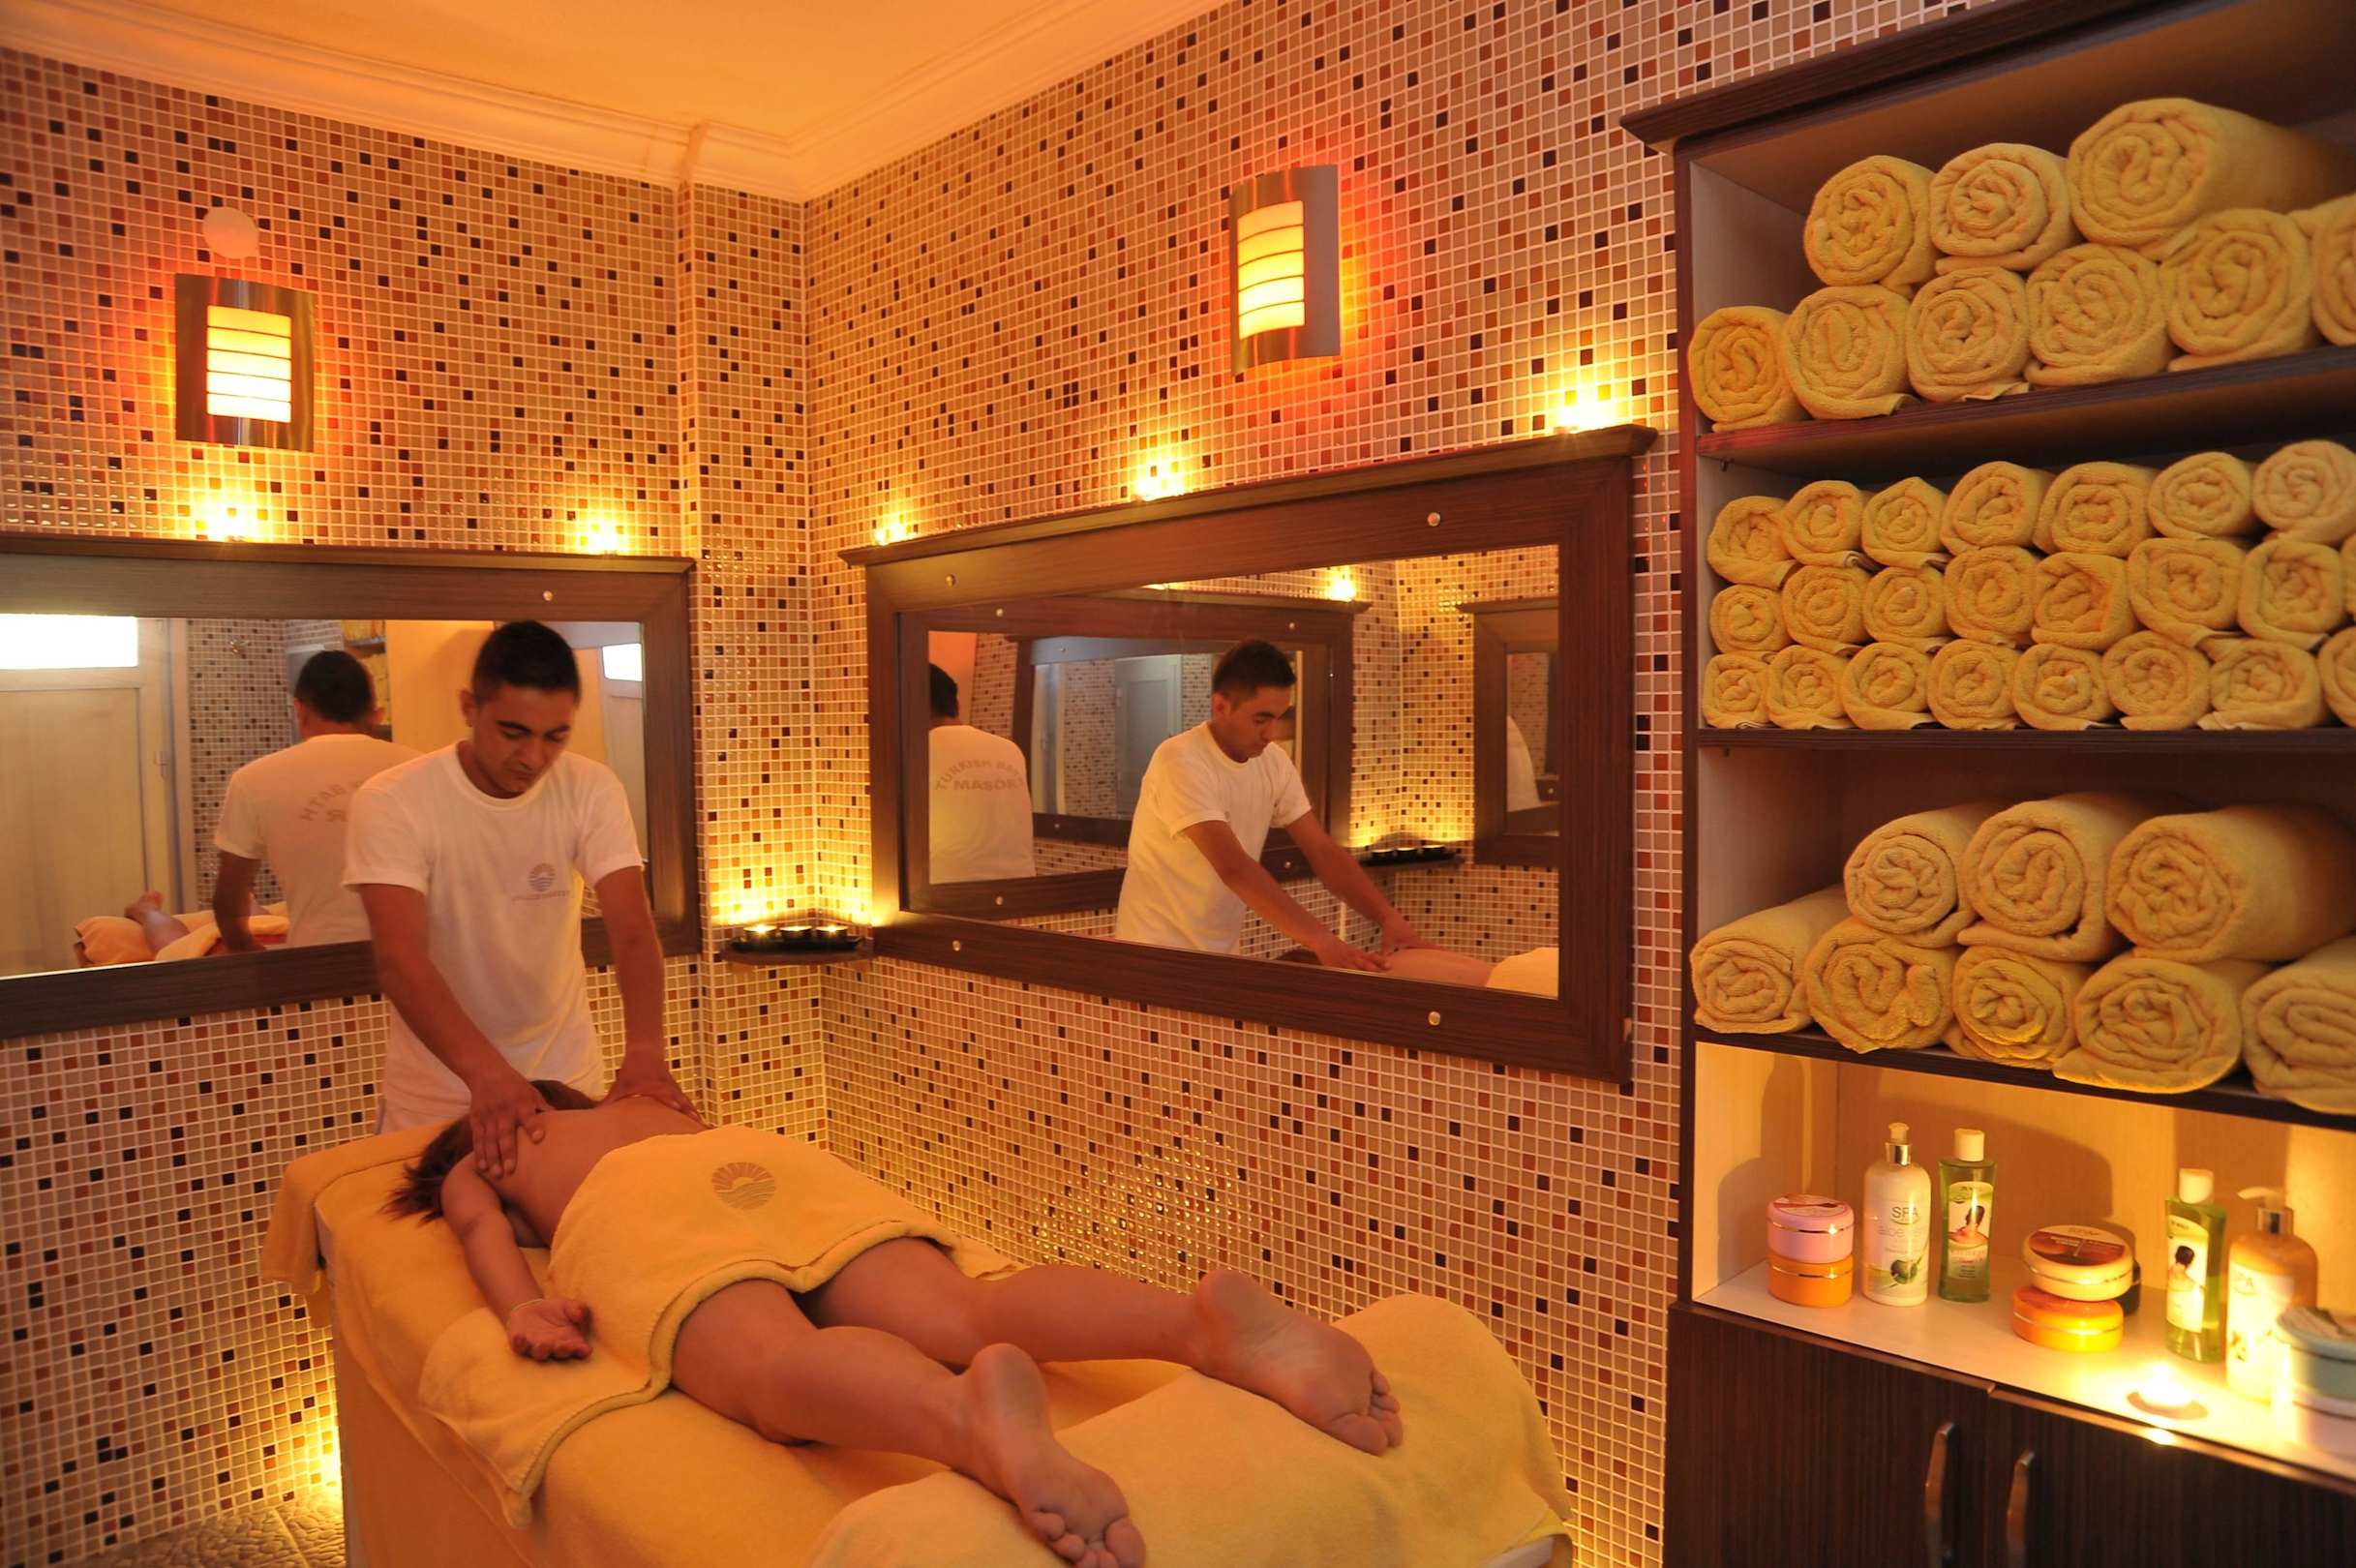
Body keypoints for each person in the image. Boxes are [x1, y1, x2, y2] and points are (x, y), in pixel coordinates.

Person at [384, 1087, 1403, 1568]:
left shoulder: (487, 1154)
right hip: (768, 1161)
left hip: (641, 1208)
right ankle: (1198, 1328)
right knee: (968, 1308)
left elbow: (476, 1230)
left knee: (774, 1365)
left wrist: (520, 1303)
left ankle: (959, 1418)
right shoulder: (643, 1104)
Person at [344, 620, 691, 1155]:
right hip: (437, 1094)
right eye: (513, 732)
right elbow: (401, 962)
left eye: (555, 737)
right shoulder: (393, 801)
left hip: (565, 1077)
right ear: (469, 708)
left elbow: (631, 926)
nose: (533, 757)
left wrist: (645, 1050)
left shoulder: (590, 788)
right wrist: (488, 1075)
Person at [1114, 639, 1429, 970]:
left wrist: (1388, 917)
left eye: (1279, 718)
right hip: (1151, 955)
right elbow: (1234, 867)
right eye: (1260, 719)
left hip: (1218, 955)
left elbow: (1321, 850)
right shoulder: (1180, 760)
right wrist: (1321, 940)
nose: (1272, 733)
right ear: (1221, 706)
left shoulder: (1274, 762)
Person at [213, 649, 415, 950]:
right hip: (414, 955)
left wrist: (247, 950)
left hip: (314, 961)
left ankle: (148, 911)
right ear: (375, 715)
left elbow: (229, 899)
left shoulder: (253, 780)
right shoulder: (418, 767)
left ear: (300, 709)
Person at [926, 663, 1037, 883]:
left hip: (943, 890)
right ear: (957, 704)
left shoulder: (916, 752)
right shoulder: (1009, 749)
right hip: (1021, 887)